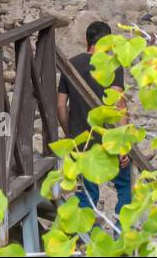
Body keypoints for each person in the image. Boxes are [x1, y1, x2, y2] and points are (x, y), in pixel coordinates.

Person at [56, 20, 132, 221]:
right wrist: (123, 146)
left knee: (86, 195)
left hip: (83, 142)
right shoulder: (112, 65)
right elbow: (119, 105)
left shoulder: (70, 65)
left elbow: (60, 106)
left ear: (86, 40)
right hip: (109, 141)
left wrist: (71, 134)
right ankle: (121, 234)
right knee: (124, 185)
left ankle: (91, 238)